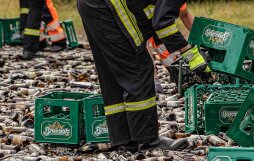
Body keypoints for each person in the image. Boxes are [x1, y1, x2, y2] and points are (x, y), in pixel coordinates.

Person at [77, 0, 211, 152]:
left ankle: (123, 139)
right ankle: (147, 141)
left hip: (92, 7)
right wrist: (189, 53)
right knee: (138, 66)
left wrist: (173, 58)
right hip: (112, 7)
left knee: (112, 72)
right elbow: (162, 24)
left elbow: (155, 21)